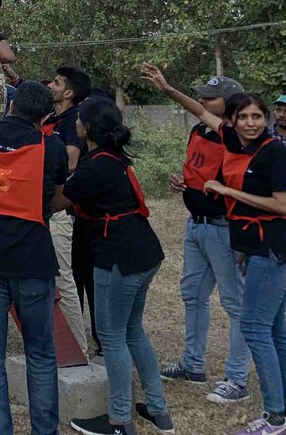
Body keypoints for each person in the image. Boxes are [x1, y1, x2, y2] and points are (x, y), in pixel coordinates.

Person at [145, 66, 286, 435]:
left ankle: (262, 403)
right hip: (239, 241)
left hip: (266, 246)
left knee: (252, 322)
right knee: (268, 327)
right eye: (245, 117)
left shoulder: (272, 151)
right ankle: (273, 405)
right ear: (233, 119)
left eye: (257, 116)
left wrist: (228, 192)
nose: (251, 123)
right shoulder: (230, 139)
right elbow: (198, 112)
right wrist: (167, 88)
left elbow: (281, 205)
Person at [55, 98, 172, 435]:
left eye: (79, 118)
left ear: (88, 128)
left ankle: (119, 419)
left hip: (118, 257)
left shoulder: (93, 168)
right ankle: (157, 409)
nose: (75, 122)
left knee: (111, 336)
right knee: (133, 330)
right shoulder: (113, 157)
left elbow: (55, 202)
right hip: (144, 251)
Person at [0, 81, 67, 435]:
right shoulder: (53, 148)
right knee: (41, 353)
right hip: (33, 260)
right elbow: (55, 198)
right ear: (45, 117)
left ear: (11, 104)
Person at [143, 67, 251, 404]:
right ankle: (193, 364)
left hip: (223, 227)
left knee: (235, 304)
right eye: (202, 95)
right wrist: (182, 181)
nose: (203, 100)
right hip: (197, 225)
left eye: (210, 97)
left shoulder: (235, 136)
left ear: (228, 104)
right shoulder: (198, 131)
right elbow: (198, 167)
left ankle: (237, 378)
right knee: (192, 295)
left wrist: (168, 89)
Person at [45, 66, 93, 357]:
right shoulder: (52, 118)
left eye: (56, 83)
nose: (50, 85)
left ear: (69, 93)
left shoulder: (73, 119)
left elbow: (71, 161)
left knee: (63, 278)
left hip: (60, 211)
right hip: (46, 205)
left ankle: (79, 349)